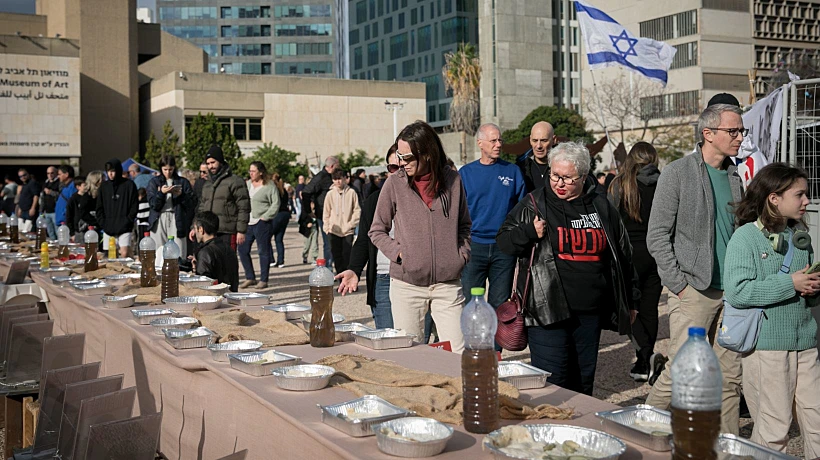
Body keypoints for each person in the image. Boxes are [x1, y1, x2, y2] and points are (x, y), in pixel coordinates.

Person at [497, 141, 638, 396]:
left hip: (590, 313)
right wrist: (529, 232)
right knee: (552, 383)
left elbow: (623, 254)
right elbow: (504, 241)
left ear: (584, 176)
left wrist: (632, 299)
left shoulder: (601, 205)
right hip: (546, 310)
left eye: (567, 178)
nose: (558, 183)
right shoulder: (534, 203)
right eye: (554, 176)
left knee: (583, 383)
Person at [645, 103, 745, 435]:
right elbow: (657, 235)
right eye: (733, 131)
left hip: (731, 292)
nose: (740, 137)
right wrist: (679, 285)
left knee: (729, 377)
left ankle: (727, 446)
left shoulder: (734, 175)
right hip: (694, 291)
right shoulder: (677, 172)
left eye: (741, 131)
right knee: (681, 371)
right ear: (708, 133)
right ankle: (642, 428)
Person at [723, 163, 820, 457]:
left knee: (817, 421)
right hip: (767, 349)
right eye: (800, 195)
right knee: (774, 429)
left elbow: (807, 295)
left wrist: (813, 288)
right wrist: (791, 283)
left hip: (806, 343)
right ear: (774, 198)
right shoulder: (745, 238)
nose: (807, 201)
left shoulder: (800, 238)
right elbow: (738, 292)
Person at [369, 121, 472, 353]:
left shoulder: (453, 181)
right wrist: (400, 254)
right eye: (399, 156)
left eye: (407, 158)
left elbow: (465, 224)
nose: (401, 163)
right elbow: (376, 230)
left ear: (427, 154)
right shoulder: (394, 184)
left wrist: (461, 255)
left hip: (448, 284)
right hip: (407, 285)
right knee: (410, 355)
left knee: (457, 352)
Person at [607, 142, 663, 382]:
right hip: (657, 253)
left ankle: (646, 355)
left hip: (629, 254)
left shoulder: (620, 184)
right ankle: (644, 363)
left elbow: (608, 221)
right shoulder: (664, 184)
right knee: (650, 310)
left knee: (630, 309)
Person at [460, 123, 526, 320]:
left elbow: (522, 209)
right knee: (472, 303)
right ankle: (474, 348)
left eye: (500, 140)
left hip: (503, 248)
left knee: (500, 304)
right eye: (493, 140)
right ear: (480, 143)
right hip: (474, 246)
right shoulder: (465, 173)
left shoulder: (512, 171)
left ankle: (495, 350)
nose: (498, 144)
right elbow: (456, 211)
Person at [336, 145, 400, 328]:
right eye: (392, 168)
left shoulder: (423, 199)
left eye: (402, 167)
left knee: (418, 342)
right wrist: (354, 269)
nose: (397, 173)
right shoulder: (375, 200)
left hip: (415, 280)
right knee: (387, 337)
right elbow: (364, 239)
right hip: (383, 277)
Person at [189, 145, 250, 252]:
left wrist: (241, 230)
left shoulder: (235, 181)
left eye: (213, 162)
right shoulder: (207, 185)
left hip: (227, 231)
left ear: (220, 161)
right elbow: (201, 208)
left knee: (227, 264)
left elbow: (243, 207)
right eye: (208, 163)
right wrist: (195, 227)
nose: (210, 166)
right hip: (208, 231)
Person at [238, 162, 278, 290]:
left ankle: (263, 279)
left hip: (262, 222)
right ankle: (250, 277)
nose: (251, 173)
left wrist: (265, 216)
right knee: (243, 250)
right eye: (250, 171)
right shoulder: (247, 184)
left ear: (261, 172)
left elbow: (275, 203)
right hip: (247, 222)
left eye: (253, 171)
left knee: (263, 251)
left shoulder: (269, 186)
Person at [148, 155, 195, 259]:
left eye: (170, 169)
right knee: (159, 251)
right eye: (165, 169)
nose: (168, 172)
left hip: (177, 217)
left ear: (174, 168)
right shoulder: (154, 182)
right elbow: (153, 204)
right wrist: (161, 193)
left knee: (178, 250)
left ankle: (179, 270)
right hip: (159, 218)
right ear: (161, 168)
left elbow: (191, 204)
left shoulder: (183, 182)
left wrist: (181, 195)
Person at [301, 156, 338, 265]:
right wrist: (308, 211)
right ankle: (328, 268)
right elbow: (306, 192)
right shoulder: (320, 177)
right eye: (337, 166)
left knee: (337, 243)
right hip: (324, 215)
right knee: (328, 243)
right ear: (332, 166)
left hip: (336, 214)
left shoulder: (332, 177)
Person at [97, 159, 138, 258]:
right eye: (108, 171)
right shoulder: (104, 187)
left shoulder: (129, 185)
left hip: (124, 226)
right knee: (111, 256)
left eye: (113, 171)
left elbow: (134, 205)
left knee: (125, 253)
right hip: (108, 227)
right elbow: (99, 206)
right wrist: (103, 223)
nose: (110, 174)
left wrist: (128, 220)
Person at [323, 169, 361, 274]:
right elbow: (326, 212)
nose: (338, 181)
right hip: (334, 230)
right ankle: (341, 279)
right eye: (335, 179)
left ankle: (349, 277)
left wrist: (351, 224)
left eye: (340, 178)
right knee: (337, 256)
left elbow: (357, 210)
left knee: (347, 256)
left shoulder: (352, 192)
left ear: (345, 179)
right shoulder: (330, 194)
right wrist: (327, 227)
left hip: (347, 230)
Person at [192, 211, 239, 292]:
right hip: (231, 295)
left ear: (201, 229)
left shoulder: (205, 252)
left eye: (195, 229)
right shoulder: (228, 248)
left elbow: (203, 285)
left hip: (215, 299)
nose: (195, 233)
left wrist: (195, 270)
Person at [518, 121, 557, 193]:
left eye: (544, 141)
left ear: (554, 140)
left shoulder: (565, 165)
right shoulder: (520, 166)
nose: (538, 146)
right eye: (535, 140)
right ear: (530, 140)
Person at [66, 171, 101, 240]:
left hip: (92, 228)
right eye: (84, 185)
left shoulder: (92, 196)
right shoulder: (74, 199)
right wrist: (72, 233)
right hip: (80, 229)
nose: (86, 187)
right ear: (78, 187)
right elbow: (69, 216)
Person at [269, 173, 291, 268]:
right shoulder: (284, 190)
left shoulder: (273, 190)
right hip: (285, 214)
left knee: (266, 237)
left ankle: (271, 259)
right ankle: (281, 261)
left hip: (277, 214)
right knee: (279, 239)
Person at [16, 168, 41, 233]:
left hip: (29, 210)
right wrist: (20, 208)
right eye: (20, 176)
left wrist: (33, 208)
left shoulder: (32, 183)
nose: (23, 177)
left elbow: (36, 196)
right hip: (23, 210)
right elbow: (22, 198)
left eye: (24, 175)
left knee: (28, 231)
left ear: (27, 174)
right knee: (21, 231)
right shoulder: (24, 185)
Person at [55, 165, 77, 234]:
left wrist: (65, 215)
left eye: (59, 174)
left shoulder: (72, 186)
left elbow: (72, 204)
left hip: (65, 223)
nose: (58, 177)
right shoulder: (65, 187)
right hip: (62, 222)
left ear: (66, 174)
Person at [41, 166, 60, 239]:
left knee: (57, 231)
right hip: (46, 211)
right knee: (50, 231)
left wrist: (51, 192)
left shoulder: (59, 183)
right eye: (48, 173)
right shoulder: (46, 183)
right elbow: (42, 198)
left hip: (55, 211)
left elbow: (60, 195)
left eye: (52, 173)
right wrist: (41, 211)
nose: (50, 175)